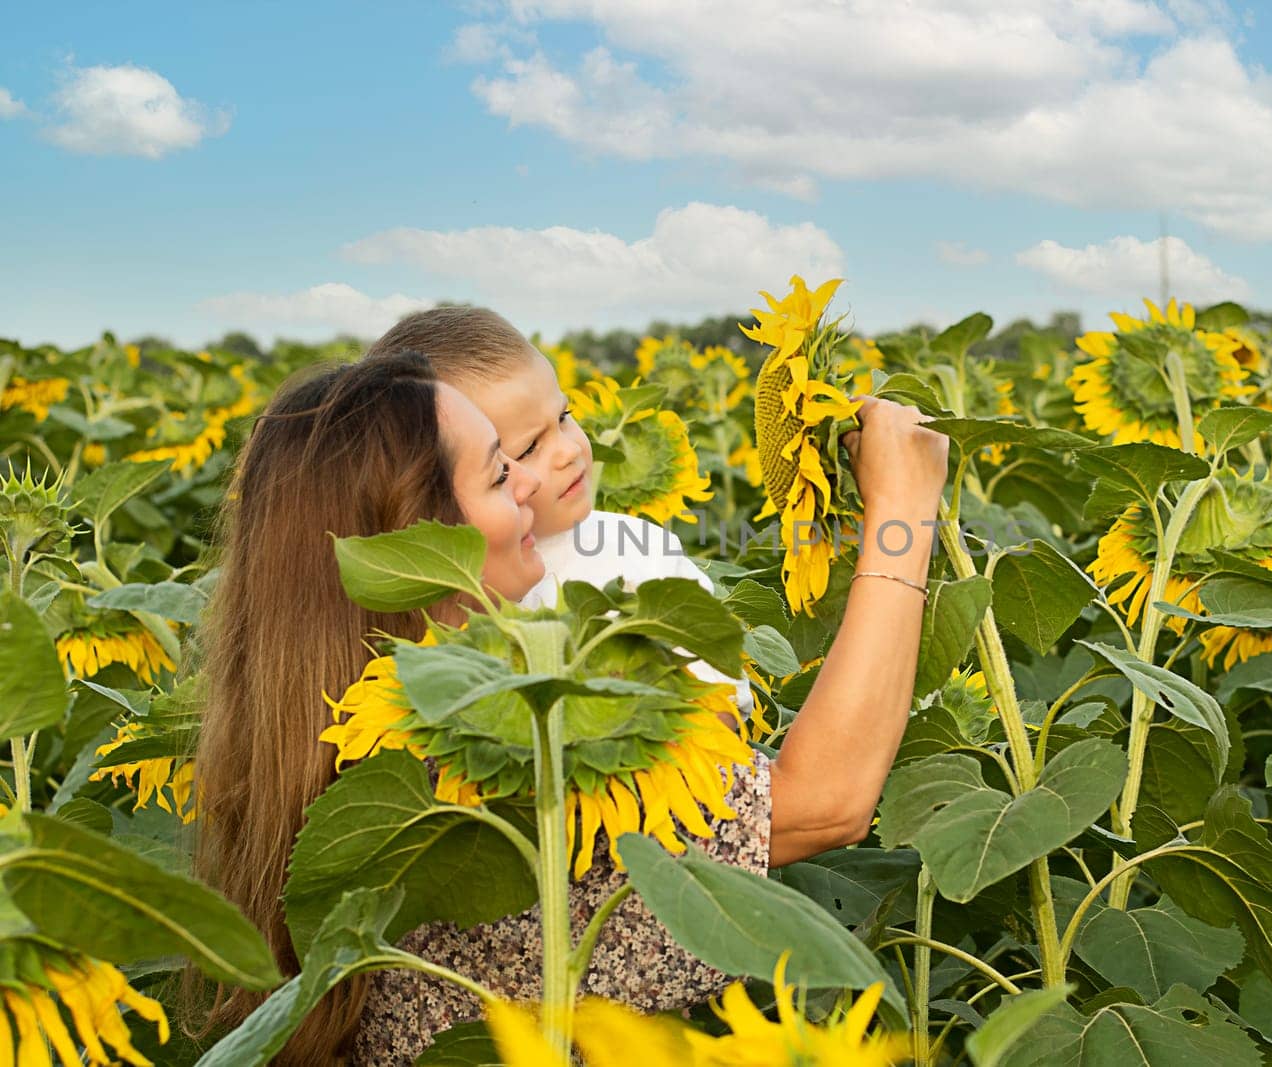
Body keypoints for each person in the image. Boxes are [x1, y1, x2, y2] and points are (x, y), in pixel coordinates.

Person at [190, 349, 948, 1064]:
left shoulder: (334, 733)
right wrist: (903, 513)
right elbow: (823, 800)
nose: (531, 483)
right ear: (422, 538)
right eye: (498, 474)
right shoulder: (486, 771)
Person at [364, 308, 754, 721]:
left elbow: (717, 694)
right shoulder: (434, 588)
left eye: (564, 418)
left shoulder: (637, 550)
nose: (569, 450)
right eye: (528, 449)